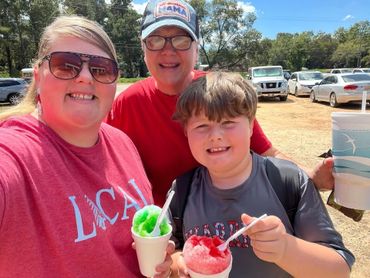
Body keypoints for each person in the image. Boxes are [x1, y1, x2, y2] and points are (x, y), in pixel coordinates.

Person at [106, 0, 334, 207]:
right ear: (143, 47)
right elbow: (106, 167)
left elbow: (267, 152)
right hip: (162, 227)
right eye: (155, 40)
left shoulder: (220, 92)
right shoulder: (126, 104)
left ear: (196, 47)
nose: (168, 50)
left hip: (227, 219)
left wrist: (311, 177)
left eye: (181, 40)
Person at [0, 15, 173, 277]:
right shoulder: (14, 154)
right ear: (38, 75)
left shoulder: (122, 143)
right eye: (65, 65)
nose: (84, 77)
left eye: (101, 68)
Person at [170, 72, 354, 277]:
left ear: (251, 126)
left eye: (228, 122)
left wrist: (285, 249)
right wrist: (177, 263)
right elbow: (171, 250)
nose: (215, 136)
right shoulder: (181, 190)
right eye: (202, 126)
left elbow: (339, 270)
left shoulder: (288, 181)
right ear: (186, 132)